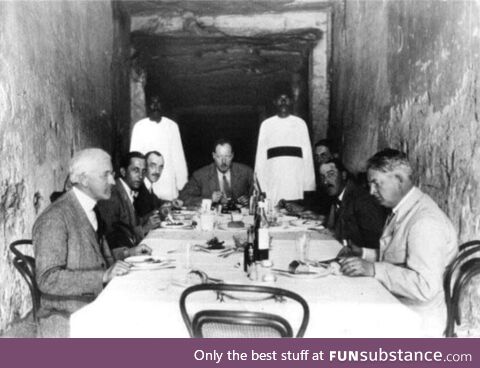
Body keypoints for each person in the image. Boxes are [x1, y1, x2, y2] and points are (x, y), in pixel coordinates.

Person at [340, 149, 458, 336]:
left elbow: (425, 287)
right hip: (400, 305)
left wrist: (374, 270)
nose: (371, 192)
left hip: (418, 321)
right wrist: (362, 253)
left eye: (377, 184)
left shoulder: (424, 222)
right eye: (370, 185)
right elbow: (396, 255)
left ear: (400, 180)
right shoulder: (404, 209)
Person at [33, 148, 147, 337]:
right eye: (106, 175)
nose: (112, 181)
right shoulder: (55, 218)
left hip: (95, 305)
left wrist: (128, 253)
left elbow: (100, 258)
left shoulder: (93, 210)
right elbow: (47, 279)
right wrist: (101, 277)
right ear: (84, 180)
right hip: (66, 317)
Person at [254, 93, 315, 206]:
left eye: (286, 98)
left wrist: (309, 187)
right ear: (274, 102)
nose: (283, 101)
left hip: (295, 180)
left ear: (291, 101)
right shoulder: (266, 125)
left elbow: (308, 158)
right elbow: (260, 159)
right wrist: (261, 188)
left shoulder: (300, 124)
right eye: (279, 98)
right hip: (274, 180)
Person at [97, 152, 161, 252]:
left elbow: (131, 223)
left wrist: (152, 216)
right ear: (123, 171)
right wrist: (144, 229)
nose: (140, 176)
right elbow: (112, 239)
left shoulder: (126, 190)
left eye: (143, 171)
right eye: (135, 170)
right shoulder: (112, 195)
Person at [130, 96, 188, 201]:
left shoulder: (172, 126)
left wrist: (182, 186)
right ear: (147, 105)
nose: (155, 106)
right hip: (146, 186)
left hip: (168, 186)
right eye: (152, 103)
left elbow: (178, 158)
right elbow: (134, 159)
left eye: (158, 103)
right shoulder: (139, 127)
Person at [320, 158, 386, 248]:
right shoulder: (338, 196)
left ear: (343, 175)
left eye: (331, 174)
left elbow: (374, 244)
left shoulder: (362, 200)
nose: (325, 181)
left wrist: (338, 236)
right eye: (322, 177)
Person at [179, 139, 253, 207]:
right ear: (213, 156)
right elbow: (183, 198)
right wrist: (209, 199)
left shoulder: (246, 172)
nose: (223, 161)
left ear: (232, 156)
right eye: (219, 157)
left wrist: (250, 200)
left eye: (227, 156)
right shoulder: (201, 175)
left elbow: (260, 196)